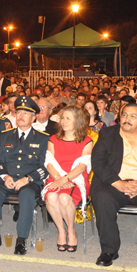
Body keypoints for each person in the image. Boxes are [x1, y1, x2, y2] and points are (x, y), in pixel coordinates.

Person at [91, 103, 137, 272]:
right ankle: (109, 250)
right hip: (114, 183)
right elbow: (98, 162)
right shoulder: (107, 134)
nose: (127, 119)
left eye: (133, 116)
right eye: (124, 115)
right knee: (102, 198)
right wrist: (118, 183)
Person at [0, 96, 49, 255]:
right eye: (19, 112)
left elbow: (45, 167)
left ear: (33, 118)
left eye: (26, 113)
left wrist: (27, 179)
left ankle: (21, 239)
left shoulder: (43, 138)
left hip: (30, 181)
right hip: (7, 179)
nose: (21, 116)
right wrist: (5, 176)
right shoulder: (5, 135)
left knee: (26, 194)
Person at [43, 105, 93, 252]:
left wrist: (64, 180)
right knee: (52, 197)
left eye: (68, 118)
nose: (63, 121)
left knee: (64, 198)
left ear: (78, 121)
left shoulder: (87, 141)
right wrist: (58, 179)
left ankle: (71, 231)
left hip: (76, 179)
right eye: (62, 118)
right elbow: (49, 162)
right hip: (55, 177)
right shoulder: (53, 139)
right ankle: (61, 231)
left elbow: (82, 166)